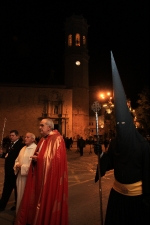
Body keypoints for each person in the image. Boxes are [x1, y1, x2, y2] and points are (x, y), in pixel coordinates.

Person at [94, 52, 150, 225]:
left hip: (136, 199)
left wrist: (147, 201)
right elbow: (110, 162)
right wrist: (101, 154)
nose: (120, 128)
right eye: (118, 125)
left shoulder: (144, 146)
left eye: (123, 125)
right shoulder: (116, 141)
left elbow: (148, 175)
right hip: (117, 195)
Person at [15, 118, 68, 225]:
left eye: (42, 125)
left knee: (47, 200)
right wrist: (37, 158)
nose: (39, 128)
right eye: (40, 125)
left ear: (49, 127)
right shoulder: (43, 139)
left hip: (50, 178)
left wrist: (38, 158)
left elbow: (55, 160)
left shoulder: (57, 139)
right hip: (40, 175)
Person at [0, 130, 24, 211]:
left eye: (13, 135)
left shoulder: (20, 145)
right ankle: (2, 205)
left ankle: (16, 205)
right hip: (8, 171)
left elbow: (18, 158)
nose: (11, 137)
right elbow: (8, 155)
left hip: (14, 171)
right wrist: (2, 154)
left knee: (16, 190)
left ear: (17, 136)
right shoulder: (11, 144)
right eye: (10, 135)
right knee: (6, 188)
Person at [13, 132, 37, 213]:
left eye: (27, 137)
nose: (25, 138)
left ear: (33, 139)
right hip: (20, 176)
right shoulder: (23, 148)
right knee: (20, 195)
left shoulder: (35, 148)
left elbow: (35, 164)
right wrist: (17, 165)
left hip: (29, 178)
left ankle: (26, 215)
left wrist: (22, 167)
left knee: (27, 197)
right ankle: (19, 215)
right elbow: (17, 159)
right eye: (25, 137)